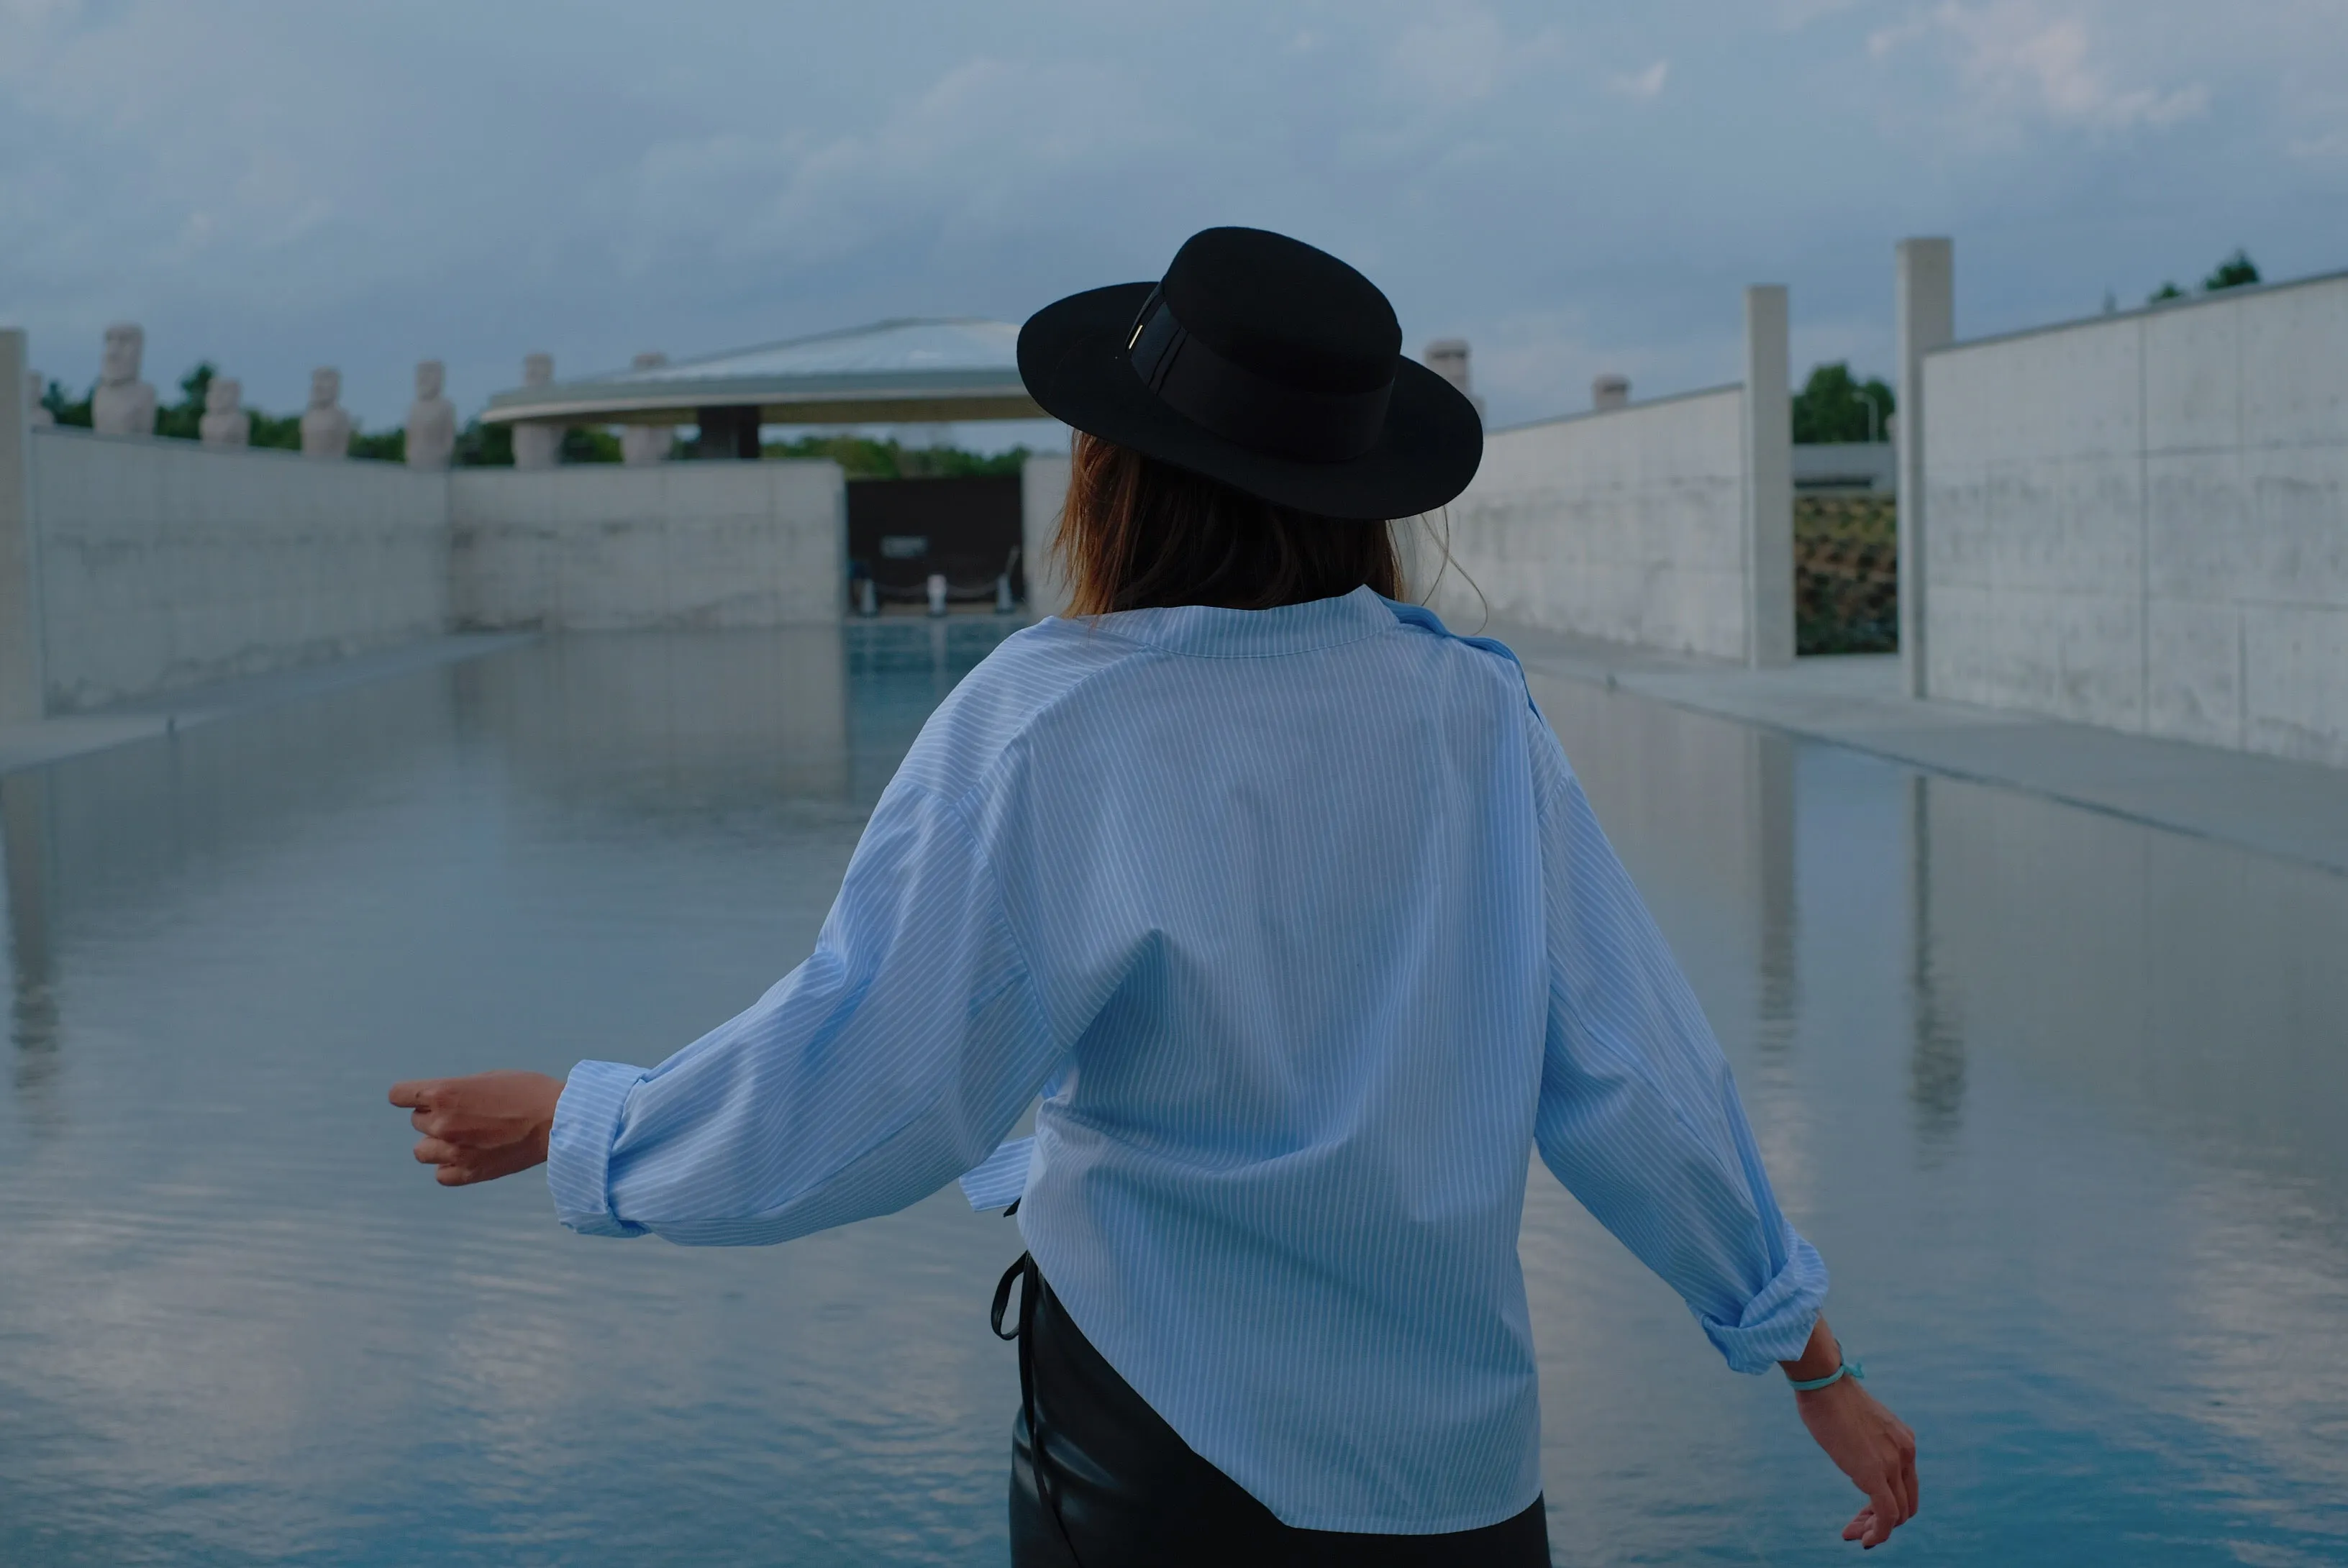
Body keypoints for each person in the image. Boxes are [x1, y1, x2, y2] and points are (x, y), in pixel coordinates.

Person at [393, 227, 1919, 1564]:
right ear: (1351, 486)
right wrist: (1807, 1358)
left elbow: (881, 1071)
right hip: (1455, 1490)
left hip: (1165, 1468)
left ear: (1114, 469)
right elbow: (1633, 1071)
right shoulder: (1476, 720)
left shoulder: (1057, 721)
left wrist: (584, 1125)